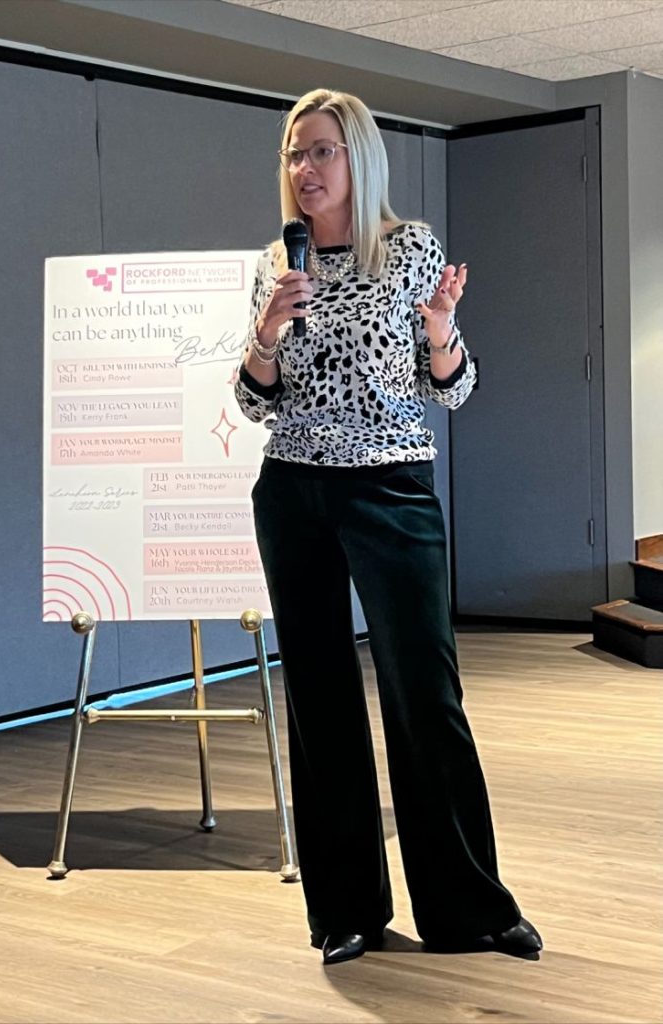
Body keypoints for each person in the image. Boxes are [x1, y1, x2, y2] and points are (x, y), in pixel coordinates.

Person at [234, 88, 542, 966]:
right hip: (292, 491)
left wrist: (442, 331)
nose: (305, 170)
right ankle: (344, 913)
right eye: (294, 154)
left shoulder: (406, 249)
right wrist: (264, 333)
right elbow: (253, 400)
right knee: (320, 697)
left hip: (389, 489)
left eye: (322, 151)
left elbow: (451, 389)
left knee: (423, 696)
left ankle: (466, 909)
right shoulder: (272, 262)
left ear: (357, 159)